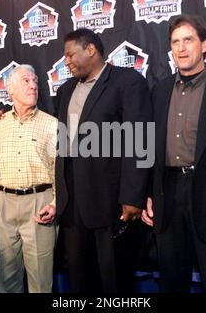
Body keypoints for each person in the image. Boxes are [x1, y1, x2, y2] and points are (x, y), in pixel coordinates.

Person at [141, 15, 206, 293]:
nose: (181, 48)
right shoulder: (159, 91)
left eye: (188, 40)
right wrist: (148, 191)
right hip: (168, 193)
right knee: (171, 279)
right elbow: (148, 145)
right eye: (175, 42)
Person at [54, 28, 152, 292]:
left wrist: (133, 195)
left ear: (91, 50)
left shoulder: (127, 81)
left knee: (114, 280)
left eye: (70, 55)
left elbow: (140, 139)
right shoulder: (64, 91)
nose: (67, 62)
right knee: (79, 279)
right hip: (73, 205)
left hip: (111, 202)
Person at [0, 64, 58, 293]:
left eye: (35, 81)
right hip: (3, 203)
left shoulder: (52, 124)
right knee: (4, 279)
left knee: (40, 280)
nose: (33, 85)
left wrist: (55, 203)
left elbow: (60, 171)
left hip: (40, 203)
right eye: (26, 81)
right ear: (10, 90)